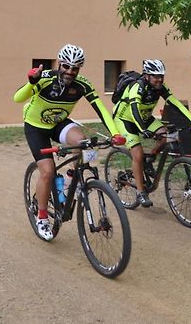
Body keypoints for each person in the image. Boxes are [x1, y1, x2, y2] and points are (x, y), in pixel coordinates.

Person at [14, 43, 125, 241]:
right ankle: (41, 217)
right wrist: (31, 82)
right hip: (35, 126)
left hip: (58, 123)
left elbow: (101, 109)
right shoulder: (45, 78)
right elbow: (17, 98)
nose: (70, 71)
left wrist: (115, 133)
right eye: (66, 66)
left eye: (75, 68)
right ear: (59, 64)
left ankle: (68, 180)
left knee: (82, 142)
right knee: (47, 171)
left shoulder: (82, 84)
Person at [113, 59, 191, 207]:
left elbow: (174, 102)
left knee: (167, 136)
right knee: (137, 153)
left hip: (144, 117)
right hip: (125, 119)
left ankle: (150, 158)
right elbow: (134, 109)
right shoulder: (137, 87)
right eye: (155, 76)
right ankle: (141, 192)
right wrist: (142, 129)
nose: (159, 79)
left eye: (161, 76)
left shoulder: (160, 87)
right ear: (146, 76)